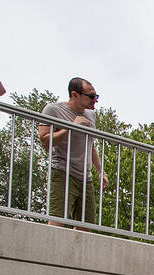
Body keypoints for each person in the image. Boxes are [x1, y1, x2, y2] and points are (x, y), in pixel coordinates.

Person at [37, 77, 110, 228]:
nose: (94, 100)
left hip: (85, 177)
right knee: (57, 221)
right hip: (62, 171)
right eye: (91, 96)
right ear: (74, 94)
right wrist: (71, 126)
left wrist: (100, 170)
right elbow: (45, 141)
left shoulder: (90, 115)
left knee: (86, 225)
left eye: (96, 96)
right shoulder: (53, 110)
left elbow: (90, 145)